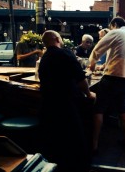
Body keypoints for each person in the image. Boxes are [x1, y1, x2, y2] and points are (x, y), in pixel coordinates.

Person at [38, 30, 96, 172]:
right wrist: (89, 94)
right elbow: (80, 79)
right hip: (66, 104)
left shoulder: (44, 58)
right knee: (74, 138)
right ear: (58, 39)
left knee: (54, 138)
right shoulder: (65, 54)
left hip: (47, 105)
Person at [88, 17, 125, 152]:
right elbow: (118, 55)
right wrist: (104, 65)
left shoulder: (117, 32)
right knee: (123, 109)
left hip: (113, 77)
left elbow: (97, 49)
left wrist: (91, 66)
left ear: (114, 25)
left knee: (99, 108)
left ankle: (94, 144)